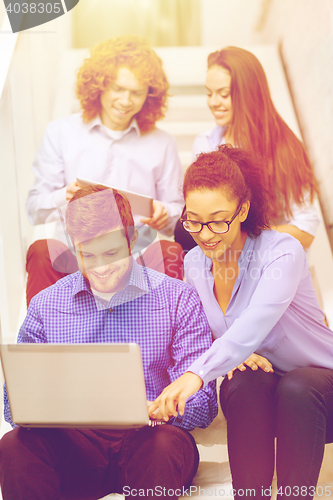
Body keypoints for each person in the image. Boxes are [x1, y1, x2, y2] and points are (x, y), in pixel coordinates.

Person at [0, 185, 218, 500]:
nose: (101, 268)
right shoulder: (46, 305)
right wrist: (46, 407)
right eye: (87, 255)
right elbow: (12, 404)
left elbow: (205, 404)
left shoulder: (177, 298)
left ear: (132, 240)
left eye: (112, 253)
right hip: (76, 450)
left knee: (164, 445)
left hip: (151, 440)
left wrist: (165, 408)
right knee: (14, 445)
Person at [150, 145, 333, 500]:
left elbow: (257, 319)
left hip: (321, 390)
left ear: (242, 210)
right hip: (265, 389)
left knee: (297, 385)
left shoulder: (282, 252)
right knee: (243, 381)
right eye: (194, 221)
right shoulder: (194, 265)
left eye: (218, 219)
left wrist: (197, 373)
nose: (205, 234)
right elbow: (212, 332)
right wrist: (236, 353)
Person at [26, 35, 184, 305]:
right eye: (118, 88)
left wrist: (163, 214)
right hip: (77, 256)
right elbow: (34, 209)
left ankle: (162, 341)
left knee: (169, 250)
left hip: (136, 258)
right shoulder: (61, 132)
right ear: (99, 85)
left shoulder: (163, 143)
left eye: (136, 92)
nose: (126, 101)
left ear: (150, 95)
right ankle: (42, 343)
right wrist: (64, 195)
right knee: (41, 251)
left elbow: (178, 214)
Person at [175, 45, 320, 253]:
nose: (213, 102)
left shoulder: (285, 148)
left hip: (265, 258)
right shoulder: (205, 144)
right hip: (220, 258)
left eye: (223, 94)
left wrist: (247, 236)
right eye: (209, 94)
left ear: (249, 94)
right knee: (180, 232)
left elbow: (305, 231)